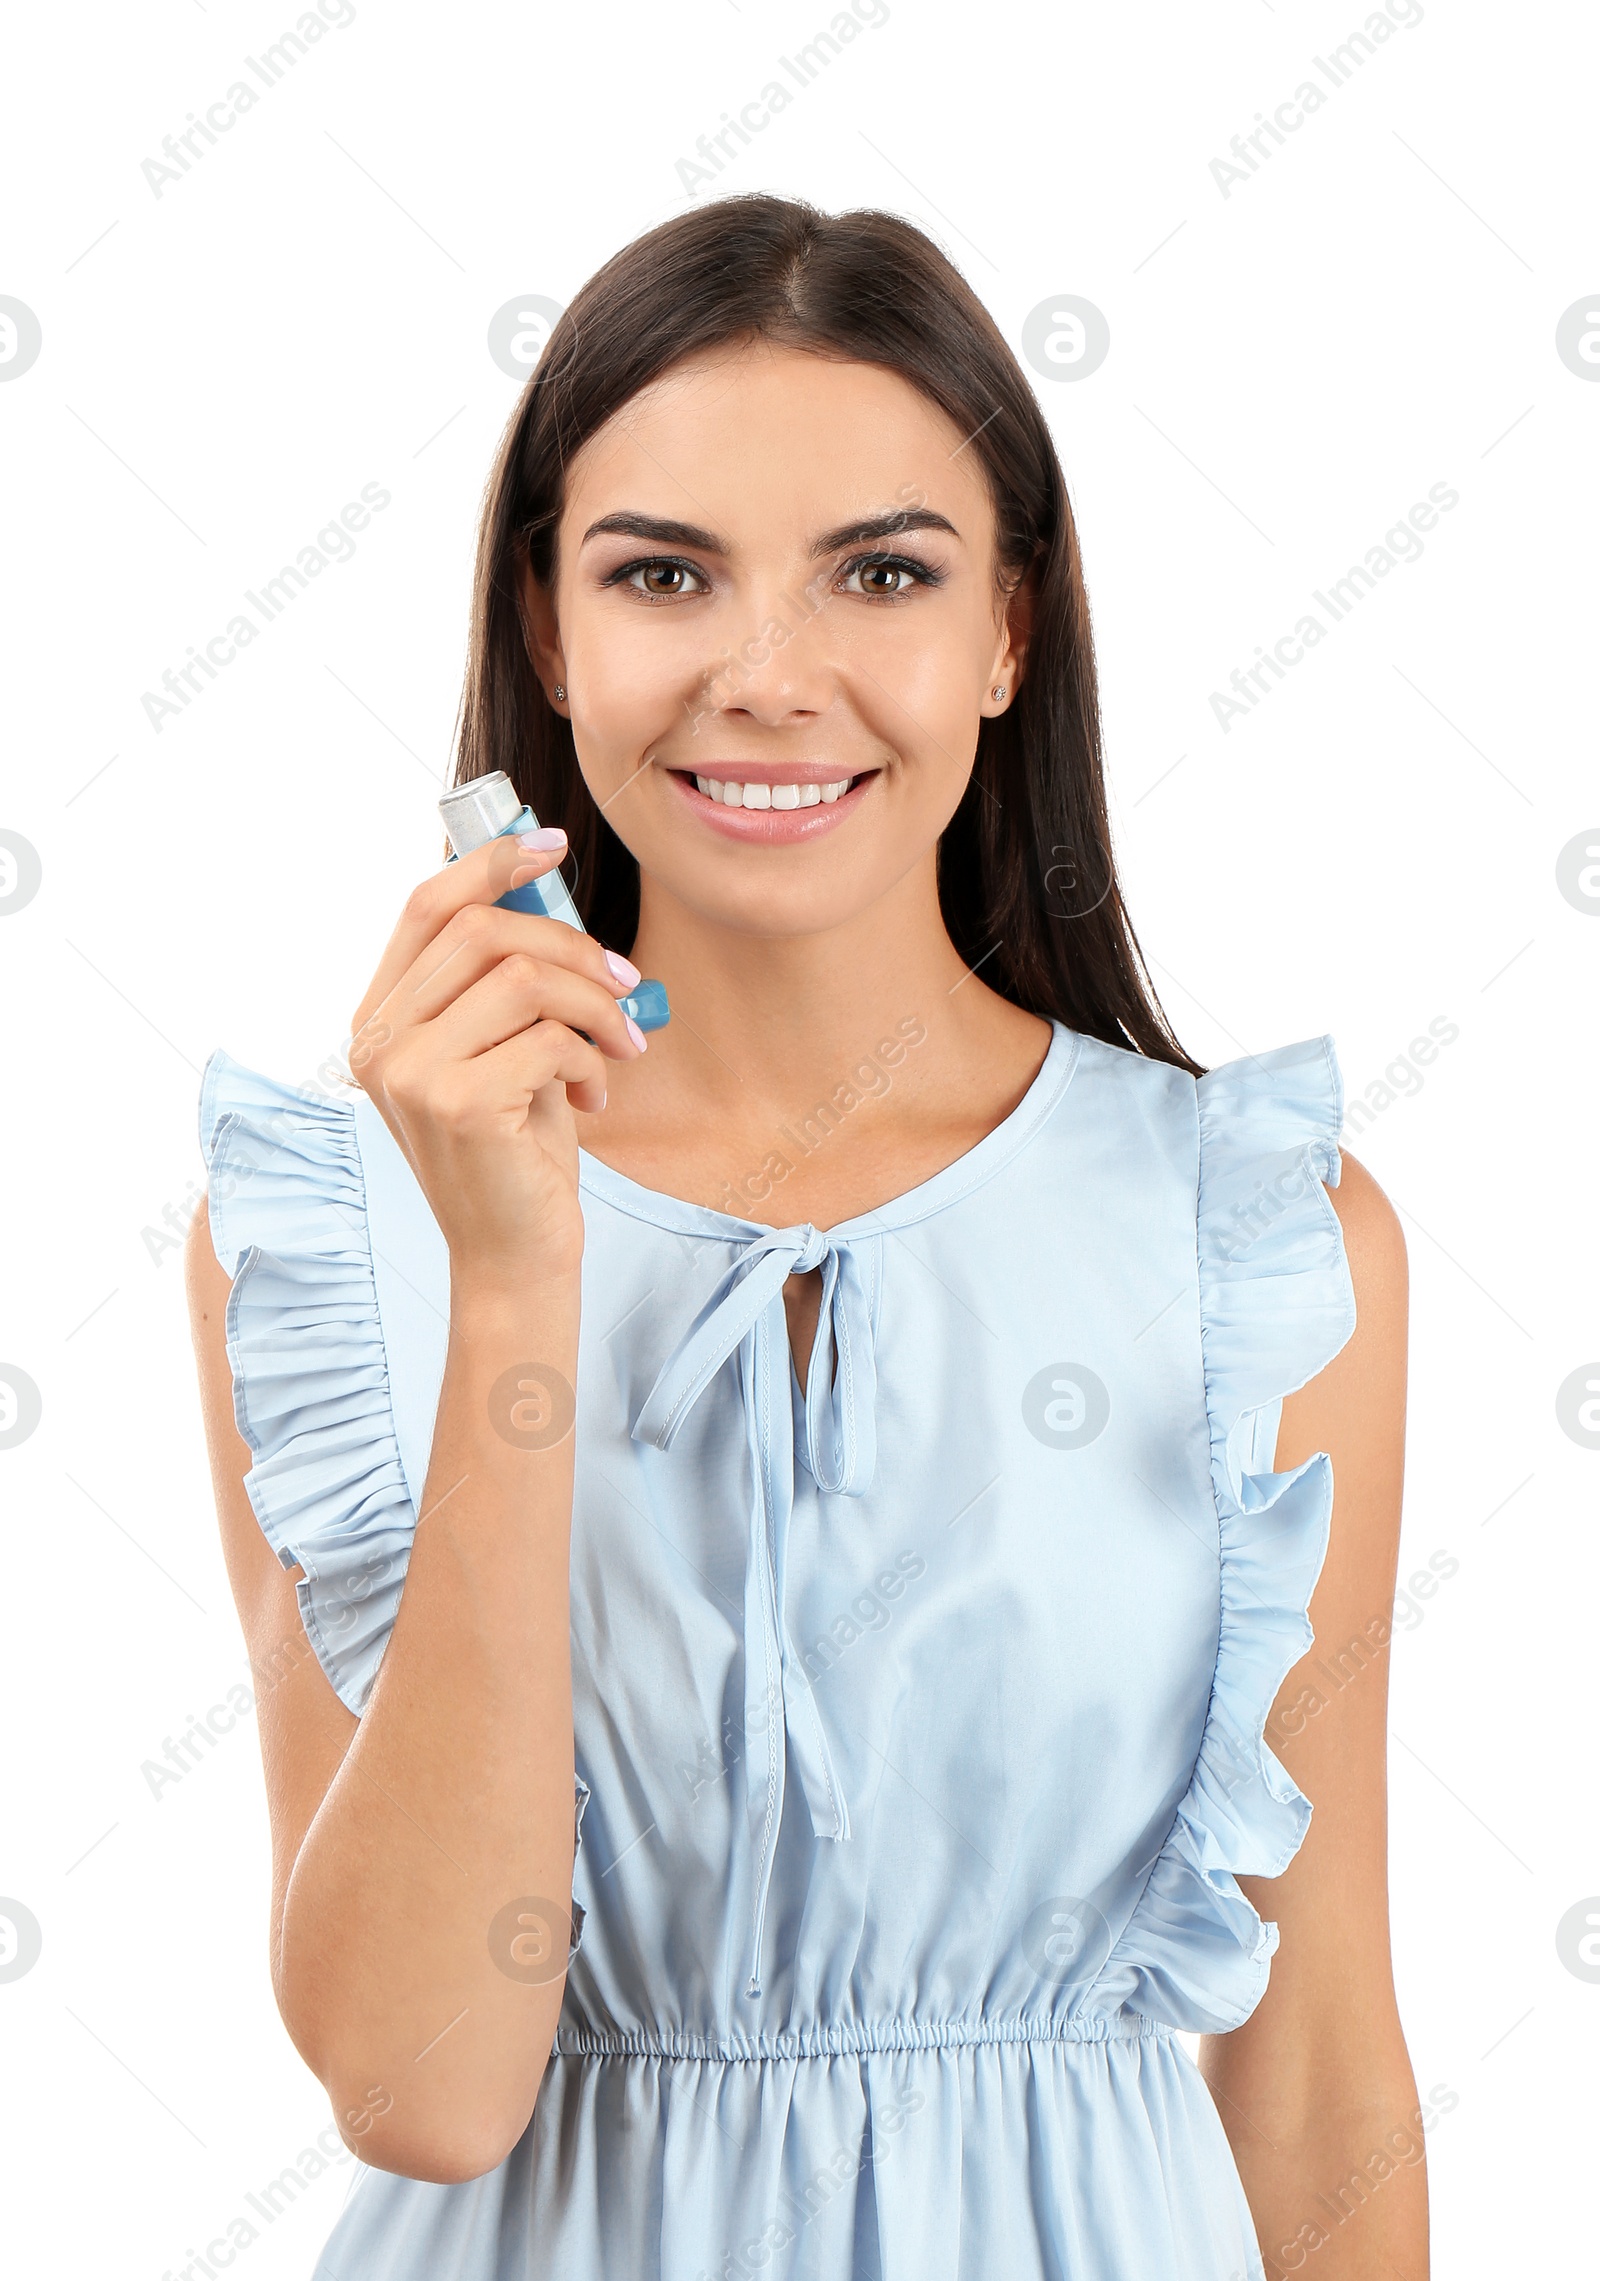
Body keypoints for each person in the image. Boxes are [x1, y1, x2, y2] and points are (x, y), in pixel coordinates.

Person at [186, 195, 1425, 2279]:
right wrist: (512, 1275)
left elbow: (1314, 2056)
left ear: (1007, 629)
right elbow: (428, 2081)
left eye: (879, 572)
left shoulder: (1258, 1238)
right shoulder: (332, 1239)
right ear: (553, 628)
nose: (768, 677)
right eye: (663, 573)